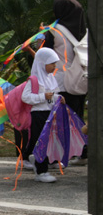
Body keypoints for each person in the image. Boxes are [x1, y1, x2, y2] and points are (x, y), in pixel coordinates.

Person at [44, 0, 88, 166]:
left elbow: (45, 55)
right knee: (77, 116)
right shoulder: (83, 31)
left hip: (60, 80)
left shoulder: (55, 31)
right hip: (79, 79)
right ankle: (83, 151)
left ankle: (61, 155)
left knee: (62, 119)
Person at [24, 48, 65, 183]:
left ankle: (40, 161)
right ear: (42, 63)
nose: (54, 66)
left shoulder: (50, 78)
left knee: (48, 141)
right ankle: (41, 171)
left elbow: (52, 95)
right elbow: (26, 97)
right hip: (38, 114)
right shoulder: (34, 80)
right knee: (41, 141)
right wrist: (42, 97)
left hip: (48, 113)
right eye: (51, 63)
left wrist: (58, 98)